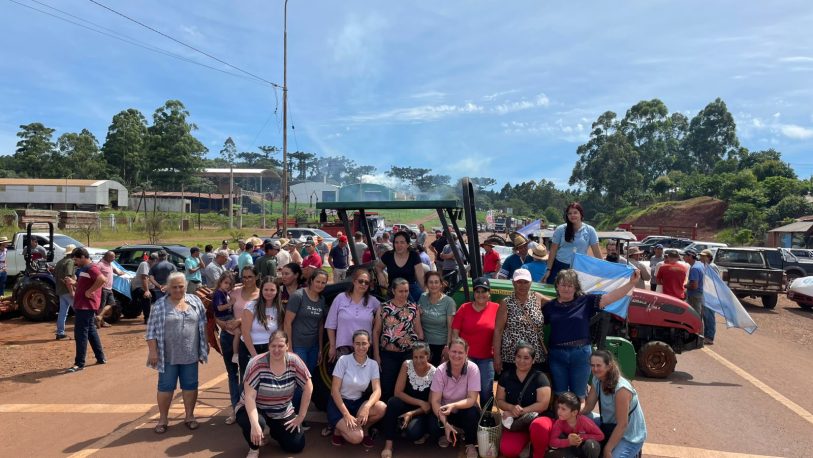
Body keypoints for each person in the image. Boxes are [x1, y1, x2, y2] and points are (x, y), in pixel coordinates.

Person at [542, 269, 639, 402]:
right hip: (557, 356)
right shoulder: (549, 307)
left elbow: (609, 298)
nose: (566, 288)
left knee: (580, 395)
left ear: (575, 287)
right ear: (557, 286)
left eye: (570, 285)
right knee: (560, 395)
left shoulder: (586, 301)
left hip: (580, 355)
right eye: (563, 284)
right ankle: (561, 423)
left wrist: (631, 284)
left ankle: (581, 422)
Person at [146, 272, 208, 434]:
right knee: (165, 387)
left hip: (190, 354)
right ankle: (163, 419)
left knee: (190, 386)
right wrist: (153, 352)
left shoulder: (195, 301)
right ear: (168, 288)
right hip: (167, 355)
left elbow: (203, 324)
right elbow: (150, 331)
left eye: (181, 286)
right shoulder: (159, 305)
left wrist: (205, 343)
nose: (178, 290)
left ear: (185, 286)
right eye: (174, 287)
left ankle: (189, 416)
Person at [235, 330, 311, 457]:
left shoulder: (294, 361)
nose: (276, 350)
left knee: (296, 445)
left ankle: (273, 431)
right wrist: (254, 425)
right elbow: (250, 396)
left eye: (281, 346)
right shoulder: (256, 363)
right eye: (273, 346)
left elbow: (308, 387)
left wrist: (301, 417)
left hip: (281, 410)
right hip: (255, 408)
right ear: (268, 346)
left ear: (287, 346)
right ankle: (254, 448)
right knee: (257, 422)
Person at [328, 329, 387, 448]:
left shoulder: (373, 364)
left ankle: (363, 429)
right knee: (356, 438)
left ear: (369, 344)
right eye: (358, 343)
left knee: (381, 407)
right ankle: (338, 430)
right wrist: (346, 415)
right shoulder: (343, 360)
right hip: (339, 404)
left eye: (364, 343)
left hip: (358, 403)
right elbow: (334, 390)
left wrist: (367, 407)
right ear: (353, 344)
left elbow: (377, 390)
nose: (361, 347)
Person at [582, 350, 646, 458]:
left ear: (609, 366)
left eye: (599, 365)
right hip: (610, 424)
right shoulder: (597, 379)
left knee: (611, 454)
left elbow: (622, 424)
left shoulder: (621, 389)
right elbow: (588, 406)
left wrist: (608, 449)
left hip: (629, 434)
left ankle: (634, 452)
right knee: (583, 417)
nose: (595, 369)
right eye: (592, 365)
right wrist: (572, 414)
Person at [284, 269, 327, 424]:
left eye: (323, 283)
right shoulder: (298, 296)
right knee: (298, 382)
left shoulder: (321, 300)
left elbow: (320, 326)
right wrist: (289, 347)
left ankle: (299, 415)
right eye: (318, 281)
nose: (320, 285)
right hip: (298, 346)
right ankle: (291, 415)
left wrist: (321, 348)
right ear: (311, 281)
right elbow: (287, 322)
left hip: (313, 347)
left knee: (307, 382)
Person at [496, 343, 554, 458]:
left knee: (539, 427)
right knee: (508, 450)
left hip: (538, 418)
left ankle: (538, 453)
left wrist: (521, 410)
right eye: (518, 357)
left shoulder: (540, 377)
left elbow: (543, 405)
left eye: (526, 358)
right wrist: (511, 408)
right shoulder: (506, 376)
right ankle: (528, 442)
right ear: (514, 358)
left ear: (533, 360)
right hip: (517, 422)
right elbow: (499, 400)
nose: (522, 361)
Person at [380, 342, 437, 458]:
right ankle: (388, 444)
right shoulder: (406, 365)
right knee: (393, 402)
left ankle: (423, 432)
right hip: (408, 404)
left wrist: (411, 413)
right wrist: (420, 402)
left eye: (422, 357)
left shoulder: (434, 372)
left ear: (428, 356)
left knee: (413, 433)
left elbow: (429, 405)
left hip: (420, 412)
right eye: (415, 357)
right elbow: (398, 392)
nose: (418, 360)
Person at [373, 278, 425, 401]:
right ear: (393, 291)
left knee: (406, 387)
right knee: (387, 386)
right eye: (401, 291)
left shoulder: (413, 308)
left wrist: (420, 353)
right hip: (388, 355)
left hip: (407, 355)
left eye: (406, 291)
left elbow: (419, 331)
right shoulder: (384, 307)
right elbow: (376, 332)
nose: (404, 294)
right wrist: (376, 355)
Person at [451, 276, 499, 408]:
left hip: (486, 358)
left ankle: (486, 420)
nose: (481, 294)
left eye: (484, 291)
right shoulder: (464, 308)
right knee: (464, 391)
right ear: (474, 293)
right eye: (477, 291)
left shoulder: (497, 308)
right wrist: (458, 354)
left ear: (489, 293)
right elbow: (455, 333)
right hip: (466, 357)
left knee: (486, 391)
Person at [429, 337, 481, 458]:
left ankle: (470, 443)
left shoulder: (473, 369)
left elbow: (472, 399)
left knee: (473, 413)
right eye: (453, 351)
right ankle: (447, 430)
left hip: (464, 410)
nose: (456, 355)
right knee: (432, 424)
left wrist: (453, 405)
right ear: (448, 351)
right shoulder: (440, 370)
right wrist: (445, 423)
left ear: (466, 352)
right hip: (445, 412)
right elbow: (435, 401)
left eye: (460, 352)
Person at [494, 269, 551, 376]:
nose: (522, 285)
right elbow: (498, 330)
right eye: (519, 282)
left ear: (531, 283)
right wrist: (497, 357)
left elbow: (559, 304)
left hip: (535, 357)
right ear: (513, 283)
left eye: (526, 282)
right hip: (512, 357)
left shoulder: (537, 297)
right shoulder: (506, 303)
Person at [326, 269, 381, 361]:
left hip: (364, 348)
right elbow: (331, 325)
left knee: (364, 375)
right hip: (344, 348)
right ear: (354, 281)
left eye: (366, 282)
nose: (363, 284)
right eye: (360, 281)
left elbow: (386, 311)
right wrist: (332, 346)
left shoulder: (373, 301)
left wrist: (377, 318)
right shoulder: (340, 298)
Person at [240, 276, 285, 383]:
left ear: (277, 291)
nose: (269, 292)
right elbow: (245, 332)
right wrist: (255, 356)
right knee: (249, 382)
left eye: (272, 290)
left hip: (269, 349)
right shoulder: (251, 306)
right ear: (261, 290)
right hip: (249, 348)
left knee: (267, 382)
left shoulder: (279, 308)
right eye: (266, 289)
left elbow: (279, 333)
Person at [542, 203, 602, 285]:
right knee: (555, 293)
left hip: (579, 269)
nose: (572, 215)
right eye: (569, 213)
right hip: (559, 267)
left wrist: (603, 271)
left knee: (576, 295)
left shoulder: (590, 230)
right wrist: (548, 270)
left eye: (575, 212)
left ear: (581, 214)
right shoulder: (560, 229)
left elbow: (597, 254)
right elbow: (553, 251)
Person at [68, 247, 107, 373]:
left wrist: (90, 291)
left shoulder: (91, 268)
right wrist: (74, 283)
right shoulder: (84, 269)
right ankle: (100, 357)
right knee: (91, 331)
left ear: (83, 257)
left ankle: (79, 363)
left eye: (77, 259)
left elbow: (102, 279)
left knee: (80, 334)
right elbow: (84, 284)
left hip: (86, 306)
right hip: (83, 305)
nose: (76, 262)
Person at [547, 392, 604, 458]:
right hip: (574, 447)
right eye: (559, 407)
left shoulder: (584, 421)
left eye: (563, 409)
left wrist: (581, 437)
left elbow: (601, 436)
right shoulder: (559, 422)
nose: (559, 411)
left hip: (588, 446)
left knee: (590, 445)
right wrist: (569, 442)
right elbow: (552, 442)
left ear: (574, 412)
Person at [418, 271, 456, 366]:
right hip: (425, 345)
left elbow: (450, 327)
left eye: (436, 282)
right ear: (426, 284)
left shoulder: (449, 302)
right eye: (430, 282)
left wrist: (448, 347)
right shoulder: (422, 298)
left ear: (441, 284)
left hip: (441, 345)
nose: (433, 285)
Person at [377, 231, 426, 303]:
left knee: (421, 303)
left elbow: (421, 278)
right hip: (394, 290)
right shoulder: (388, 255)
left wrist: (426, 295)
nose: (399, 245)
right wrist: (381, 276)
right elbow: (378, 267)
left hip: (411, 288)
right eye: (396, 242)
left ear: (407, 244)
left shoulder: (414, 255)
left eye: (402, 242)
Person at [95, 251, 124, 328]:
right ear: (107, 257)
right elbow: (95, 274)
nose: (114, 259)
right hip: (103, 288)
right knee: (102, 306)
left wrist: (121, 273)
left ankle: (100, 317)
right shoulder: (100, 264)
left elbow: (115, 270)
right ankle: (101, 322)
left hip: (109, 288)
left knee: (112, 304)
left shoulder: (109, 264)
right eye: (112, 257)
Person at [54, 244, 76, 340]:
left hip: (60, 290)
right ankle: (81, 332)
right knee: (79, 311)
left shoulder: (60, 262)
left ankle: (60, 333)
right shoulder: (70, 262)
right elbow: (68, 278)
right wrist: (72, 291)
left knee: (63, 312)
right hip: (67, 290)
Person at [699, 249, 717, 345]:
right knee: (704, 315)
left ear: (709, 257)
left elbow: (715, 282)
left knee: (709, 317)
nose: (701, 257)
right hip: (704, 294)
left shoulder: (712, 267)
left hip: (710, 296)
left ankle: (709, 337)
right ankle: (704, 336)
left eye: (704, 256)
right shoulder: (703, 266)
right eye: (701, 255)